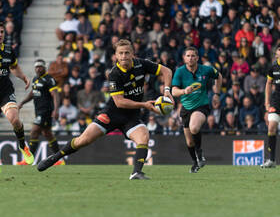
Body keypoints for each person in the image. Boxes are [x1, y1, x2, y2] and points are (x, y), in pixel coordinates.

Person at [37, 39, 173, 180]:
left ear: (133, 54)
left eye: (127, 53)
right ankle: (56, 157)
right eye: (121, 53)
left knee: (143, 136)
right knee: (83, 140)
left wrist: (167, 91)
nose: (124, 56)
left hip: (131, 117)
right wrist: (144, 105)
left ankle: (136, 173)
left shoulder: (141, 64)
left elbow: (167, 71)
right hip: (111, 115)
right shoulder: (114, 74)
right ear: (116, 55)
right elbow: (119, 102)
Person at [172, 47, 222, 173]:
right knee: (189, 142)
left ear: (197, 58)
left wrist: (216, 94)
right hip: (186, 108)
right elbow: (173, 91)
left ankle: (200, 154)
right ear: (184, 58)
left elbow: (219, 76)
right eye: (188, 56)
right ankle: (195, 163)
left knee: (194, 127)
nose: (190, 58)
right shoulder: (180, 72)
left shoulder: (205, 69)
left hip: (202, 106)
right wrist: (184, 91)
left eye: (193, 55)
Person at [17, 59, 64, 166]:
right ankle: (59, 160)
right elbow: (33, 93)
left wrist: (56, 110)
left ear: (44, 67)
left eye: (40, 67)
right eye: (36, 67)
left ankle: (29, 160)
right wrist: (22, 102)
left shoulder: (49, 79)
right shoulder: (35, 79)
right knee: (48, 134)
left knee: (34, 131)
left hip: (46, 111)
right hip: (38, 111)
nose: (38, 69)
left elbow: (55, 95)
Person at [0, 23, 33, 164]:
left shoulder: (8, 50)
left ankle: (22, 145)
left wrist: (23, 77)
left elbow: (14, 67)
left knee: (15, 119)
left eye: (1, 31)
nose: (0, 34)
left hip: (5, 91)